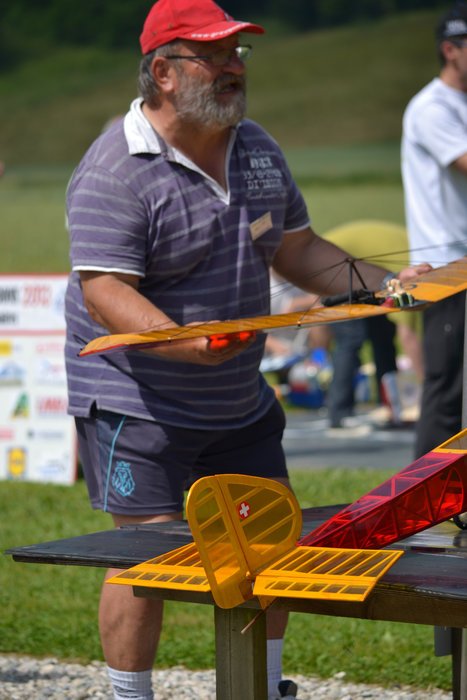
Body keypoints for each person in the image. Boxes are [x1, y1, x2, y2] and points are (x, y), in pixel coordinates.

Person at [64, 2, 430, 698]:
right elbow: (104, 290)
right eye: (214, 56)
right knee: (144, 555)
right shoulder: (115, 167)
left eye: (238, 54)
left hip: (236, 393)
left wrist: (387, 287)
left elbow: (297, 248)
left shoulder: (256, 146)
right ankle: (129, 695)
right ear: (164, 72)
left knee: (267, 543)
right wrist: (185, 342)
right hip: (136, 398)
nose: (234, 68)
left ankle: (259, 689)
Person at [402, 2, 467, 458]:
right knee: (447, 389)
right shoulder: (431, 107)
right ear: (451, 49)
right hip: (445, 267)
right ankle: (423, 493)